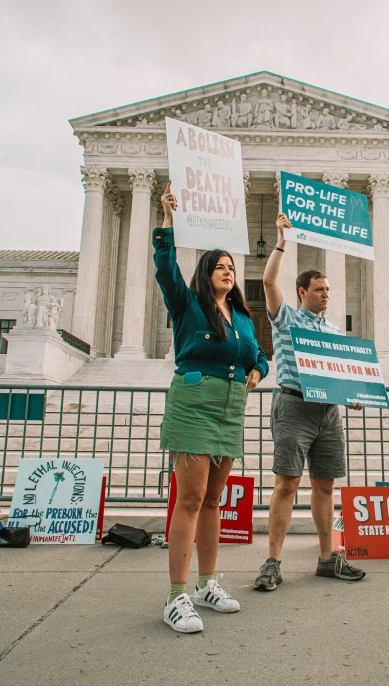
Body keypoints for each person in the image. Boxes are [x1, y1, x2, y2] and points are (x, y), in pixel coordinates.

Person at [154, 182, 269, 633]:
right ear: (206, 272)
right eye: (220, 266)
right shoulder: (188, 305)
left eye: (231, 267)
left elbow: (257, 353)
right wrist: (167, 222)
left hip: (229, 408)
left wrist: (258, 371)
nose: (227, 271)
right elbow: (165, 269)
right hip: (194, 402)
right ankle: (176, 595)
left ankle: (206, 584)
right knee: (191, 498)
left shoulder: (241, 317)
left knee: (214, 500)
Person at [254, 212, 366, 591]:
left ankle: (326, 559)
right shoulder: (286, 318)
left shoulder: (335, 331)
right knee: (287, 483)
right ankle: (272, 562)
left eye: (328, 290)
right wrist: (282, 239)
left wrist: (354, 394)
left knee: (325, 486)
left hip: (328, 414)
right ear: (303, 292)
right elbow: (269, 280)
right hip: (294, 406)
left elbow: (341, 376)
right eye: (320, 289)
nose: (326, 295)